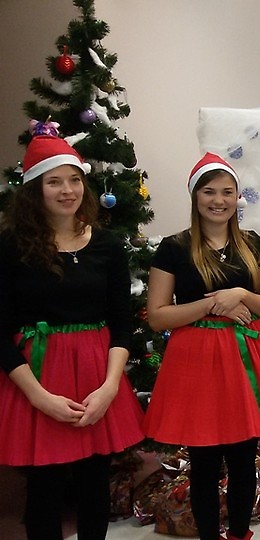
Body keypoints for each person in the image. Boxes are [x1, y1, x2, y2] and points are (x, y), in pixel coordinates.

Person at [142, 153, 260, 540]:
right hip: (196, 361)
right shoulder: (174, 247)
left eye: (227, 192)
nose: (219, 200)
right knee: (203, 461)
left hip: (245, 358)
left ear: (237, 197)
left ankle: (239, 534)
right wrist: (214, 304)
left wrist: (240, 294)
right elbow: (158, 316)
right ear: (195, 196)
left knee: (242, 457)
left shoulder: (251, 243)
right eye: (209, 191)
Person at [0, 131, 145, 540]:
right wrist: (39, 397)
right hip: (36, 377)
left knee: (94, 483)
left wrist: (110, 388)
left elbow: (121, 322)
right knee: (43, 489)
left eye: (74, 180)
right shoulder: (11, 247)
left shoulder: (108, 246)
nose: (68, 191)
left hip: (97, 376)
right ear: (35, 189)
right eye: (54, 181)